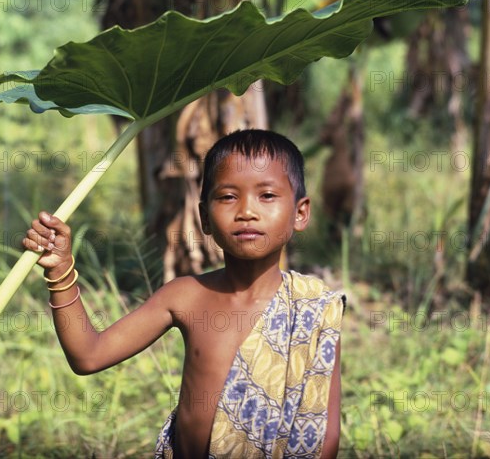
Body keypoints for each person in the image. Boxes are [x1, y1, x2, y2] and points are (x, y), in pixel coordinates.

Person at [23, 129, 346, 458]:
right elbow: (89, 355)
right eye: (228, 197)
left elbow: (323, 434)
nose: (247, 211)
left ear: (300, 213)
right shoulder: (186, 296)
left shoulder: (312, 309)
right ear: (204, 217)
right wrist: (59, 270)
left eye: (267, 196)